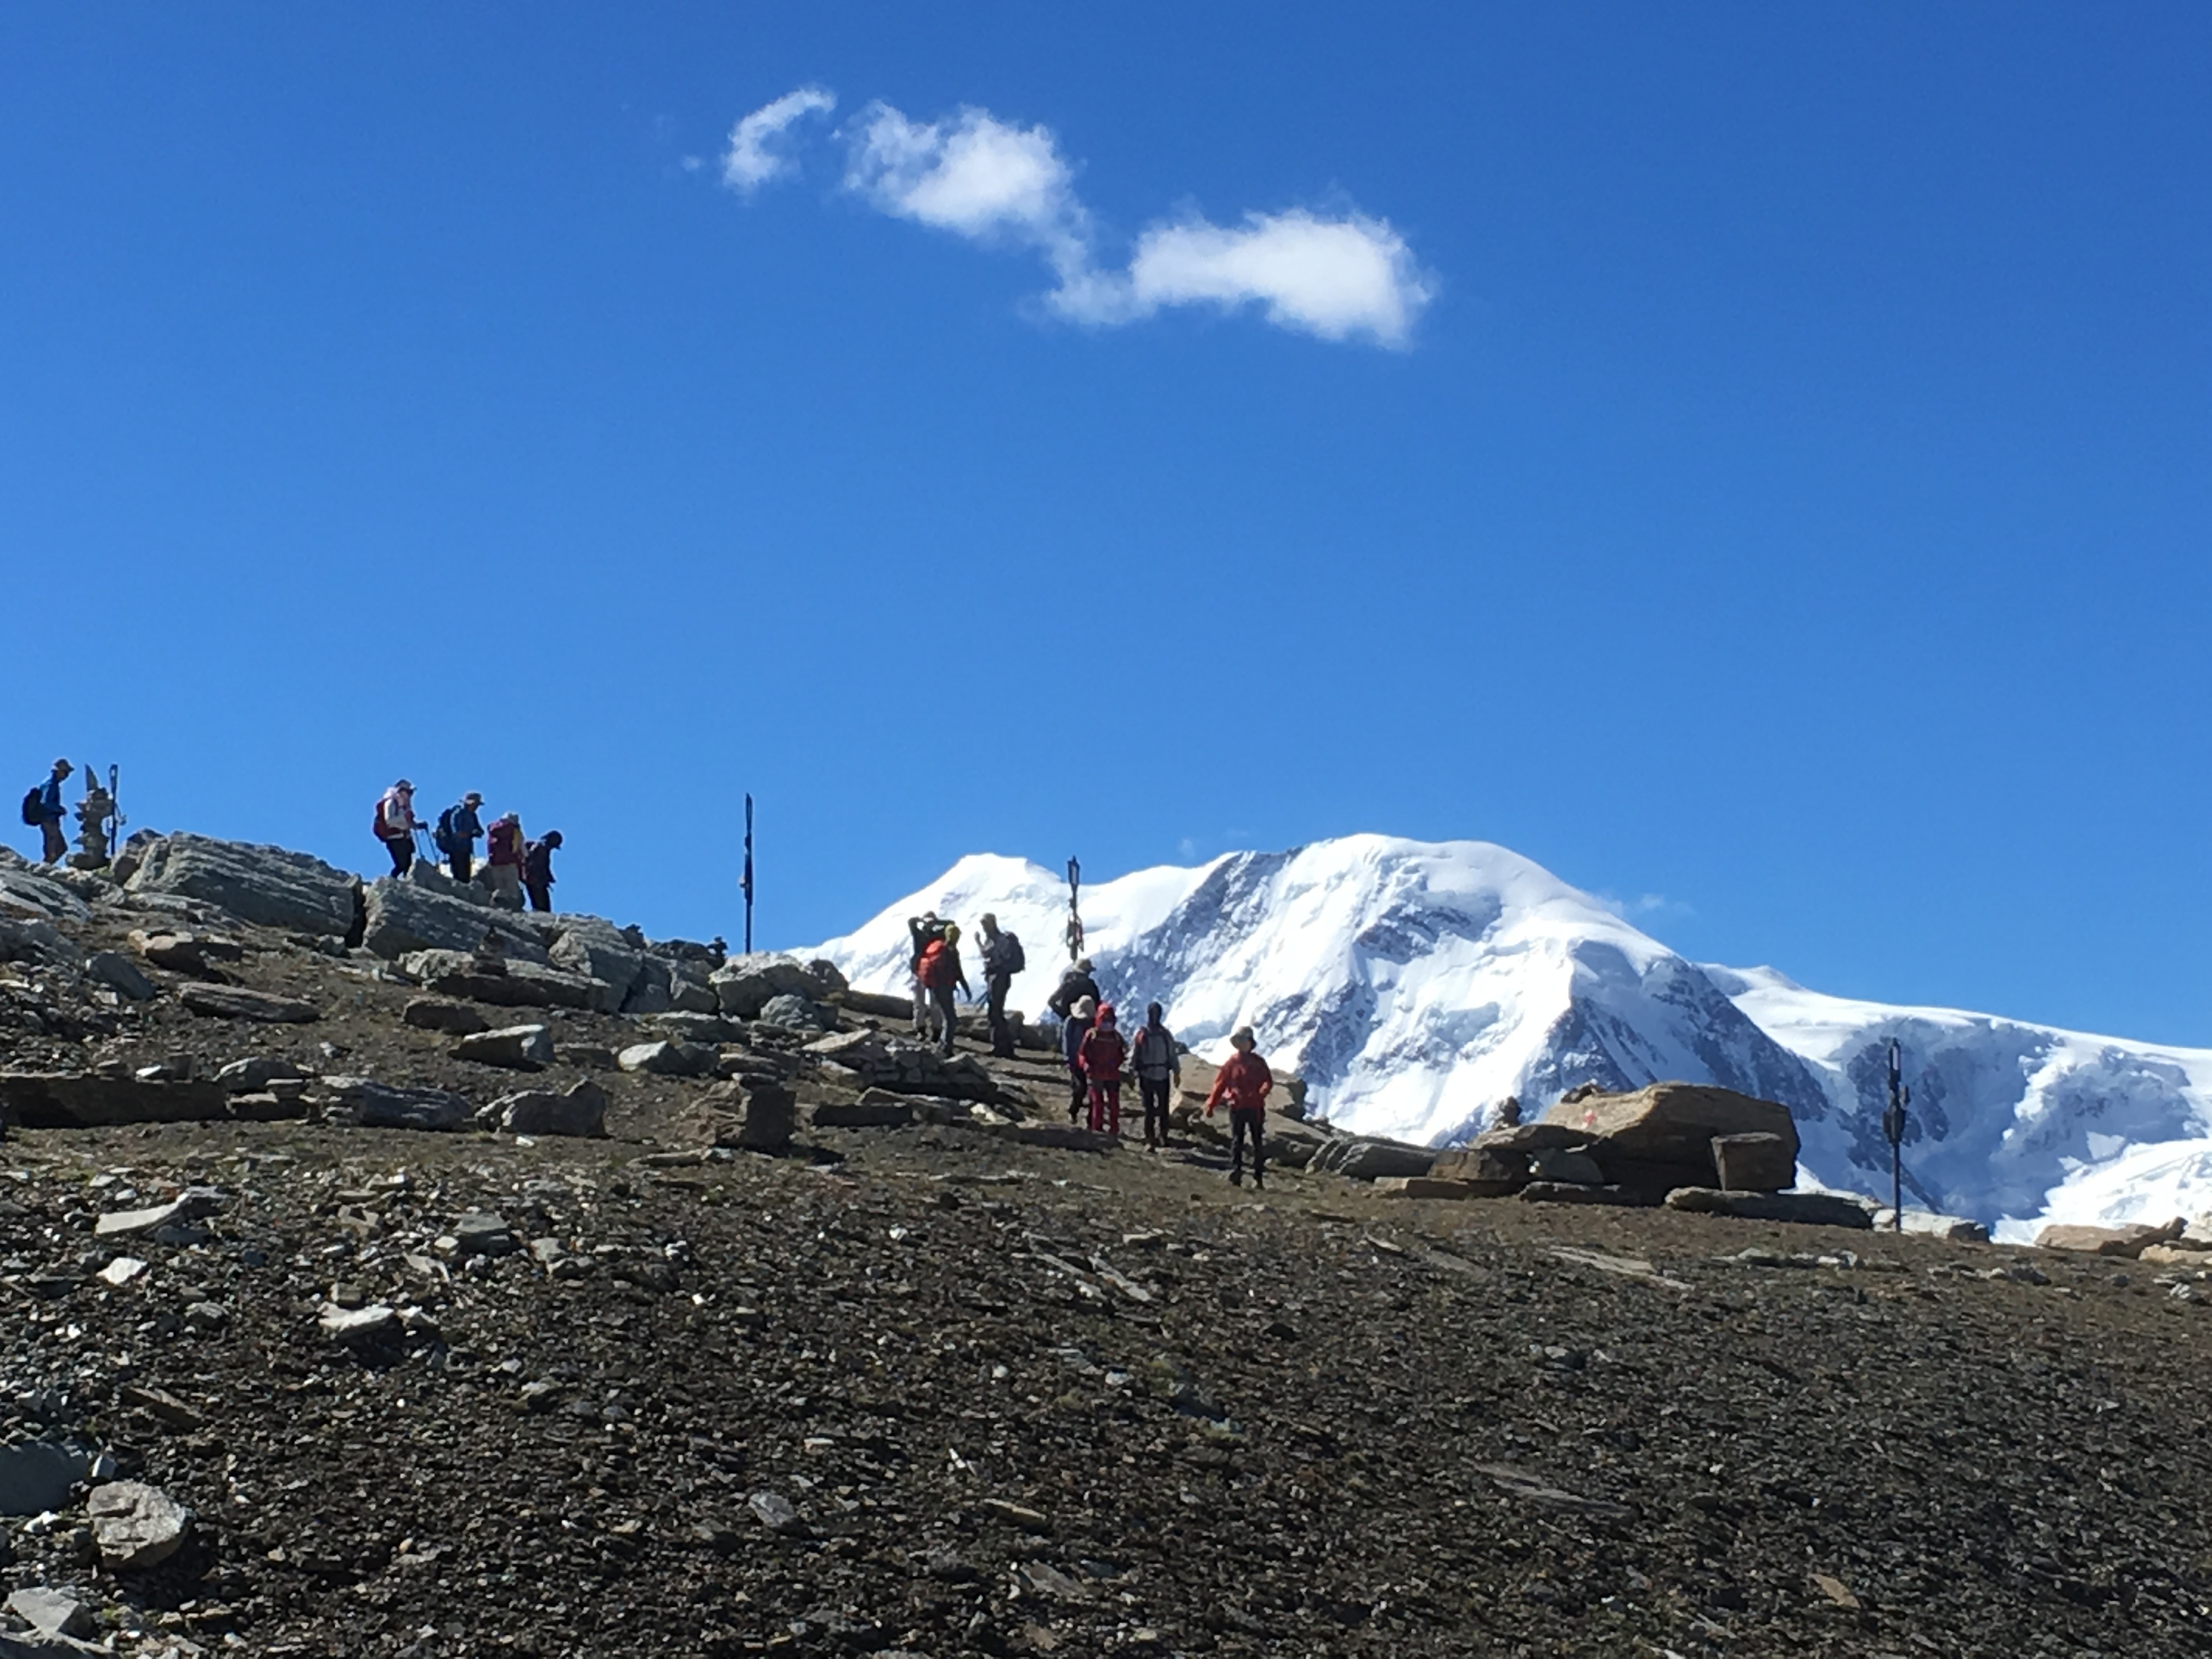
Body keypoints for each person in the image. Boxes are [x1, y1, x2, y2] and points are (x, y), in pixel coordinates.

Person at [1206, 1025, 1275, 1189]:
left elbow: (1268, 1081)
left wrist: (1262, 1093)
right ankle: (1236, 1172)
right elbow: (1220, 1085)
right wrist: (1211, 1104)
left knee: (1257, 1141)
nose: (1243, 1044)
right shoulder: (1231, 1064)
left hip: (1255, 1107)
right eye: (1241, 1041)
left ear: (1250, 1043)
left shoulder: (1258, 1063)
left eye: (1244, 1041)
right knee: (1237, 1140)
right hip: (1238, 1106)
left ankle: (1258, 1176)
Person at [1130, 1001, 1182, 1150]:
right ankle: (1150, 1138)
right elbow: (1135, 1055)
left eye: (1157, 1014)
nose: (1155, 1016)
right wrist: (1132, 1072)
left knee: (1163, 1109)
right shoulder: (1143, 1034)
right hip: (1148, 1075)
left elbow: (1172, 1055)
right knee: (1149, 1109)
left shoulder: (1164, 1035)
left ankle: (1163, 1135)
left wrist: (1177, 1072)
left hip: (1161, 1075)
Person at [916, 921, 970, 1057]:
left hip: (935, 987)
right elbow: (958, 972)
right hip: (945, 988)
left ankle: (943, 1045)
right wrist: (965, 988)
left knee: (948, 1017)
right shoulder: (951, 951)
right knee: (951, 1019)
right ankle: (945, 1047)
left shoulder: (937, 947)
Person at [977, 912, 1026, 1058]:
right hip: (995, 977)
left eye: (986, 924)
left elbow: (993, 956)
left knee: (996, 1012)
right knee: (995, 1011)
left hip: (999, 978)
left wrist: (979, 943)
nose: (984, 927)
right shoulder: (992, 939)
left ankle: (1003, 1046)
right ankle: (1000, 1045)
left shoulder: (1001, 940)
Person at [1078, 1002, 1128, 1137]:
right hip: (1097, 1074)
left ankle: (1114, 1129)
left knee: (1113, 1105)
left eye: (1109, 1019)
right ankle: (1097, 1129)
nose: (1107, 1022)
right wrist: (1085, 1065)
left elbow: (1123, 1054)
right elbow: (1082, 1053)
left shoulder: (1116, 1037)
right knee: (1097, 1104)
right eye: (1105, 1019)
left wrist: (1120, 1064)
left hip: (1111, 1074)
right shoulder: (1092, 1035)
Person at [24, 759, 72, 865]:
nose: (66, 776)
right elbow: (45, 803)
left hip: (51, 820)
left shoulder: (52, 784)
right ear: (59, 771)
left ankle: (47, 866)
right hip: (48, 820)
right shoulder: (50, 784)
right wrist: (59, 809)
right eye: (65, 772)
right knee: (53, 848)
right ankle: (45, 867)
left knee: (61, 848)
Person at [906, 911, 945, 1037]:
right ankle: (920, 1029)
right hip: (920, 971)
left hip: (934, 972)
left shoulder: (939, 935)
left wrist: (937, 922)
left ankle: (936, 1030)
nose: (929, 924)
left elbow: (952, 924)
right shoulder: (918, 934)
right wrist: (920, 920)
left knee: (935, 1004)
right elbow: (911, 923)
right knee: (920, 1002)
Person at [1060, 994, 1096, 1124]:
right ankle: (1073, 1111)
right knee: (1081, 1087)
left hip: (1090, 1060)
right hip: (1075, 1060)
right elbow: (1067, 1042)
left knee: (1093, 1089)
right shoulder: (1071, 1022)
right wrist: (1069, 1059)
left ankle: (1092, 1117)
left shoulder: (1092, 1024)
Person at [373, 779, 420, 876]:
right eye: (409, 792)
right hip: (394, 838)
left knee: (408, 864)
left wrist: (416, 825)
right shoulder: (391, 802)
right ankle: (392, 882)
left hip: (404, 837)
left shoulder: (404, 805)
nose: (410, 795)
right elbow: (389, 821)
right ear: (401, 791)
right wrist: (405, 818)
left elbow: (406, 822)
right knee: (402, 864)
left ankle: (406, 884)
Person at [435, 792, 484, 882]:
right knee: (459, 873)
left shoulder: (473, 816)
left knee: (466, 874)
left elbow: (480, 831)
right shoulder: (458, 814)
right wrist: (471, 833)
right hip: (456, 848)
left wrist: (476, 833)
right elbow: (457, 833)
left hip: (466, 849)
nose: (476, 807)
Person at [483, 812, 525, 909]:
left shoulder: (493, 829)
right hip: (510, 861)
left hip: (495, 862)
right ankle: (512, 907)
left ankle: (497, 905)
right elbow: (520, 847)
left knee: (500, 887)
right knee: (512, 888)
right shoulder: (515, 831)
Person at [1047, 957, 1101, 1021]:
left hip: (1077, 1024)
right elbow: (1098, 1004)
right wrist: (1066, 1017)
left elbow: (1052, 1001)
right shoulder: (1089, 985)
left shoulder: (1069, 984)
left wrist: (1066, 1017)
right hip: (1087, 1024)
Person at [523, 830, 562, 913]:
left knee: (540, 905)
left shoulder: (540, 847)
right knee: (542, 906)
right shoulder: (542, 848)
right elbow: (537, 865)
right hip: (537, 881)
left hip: (534, 880)